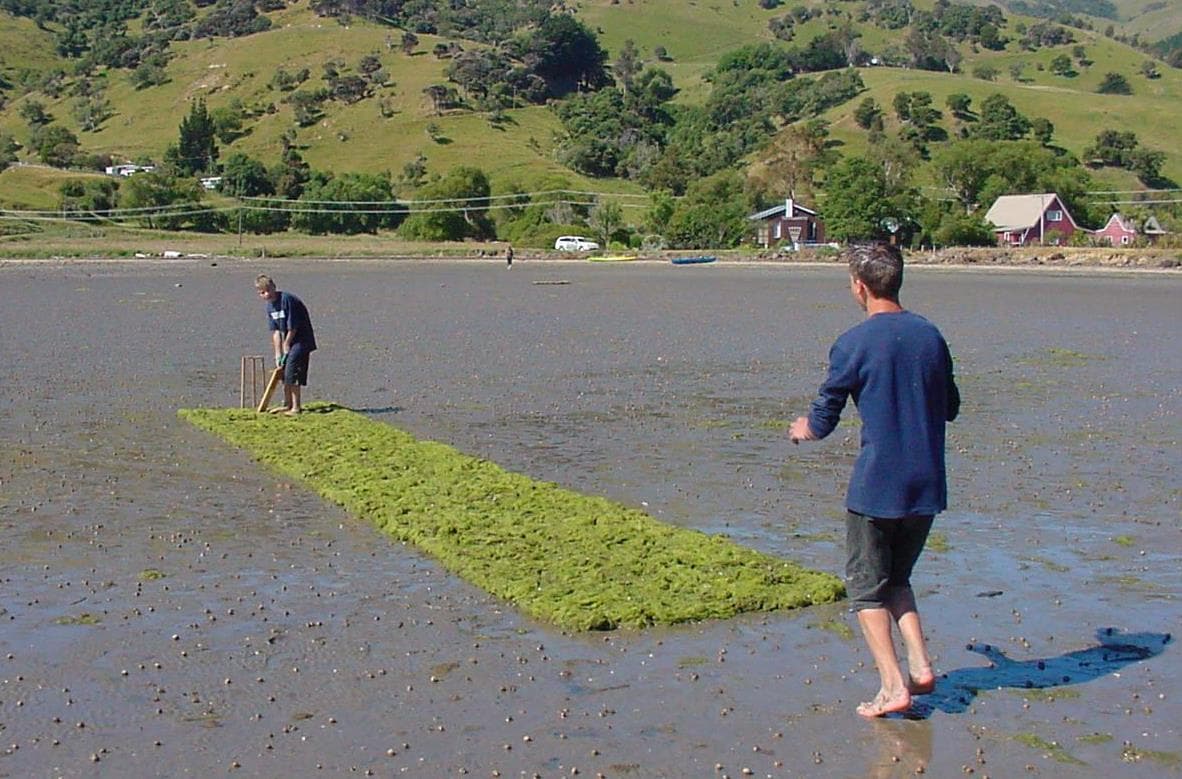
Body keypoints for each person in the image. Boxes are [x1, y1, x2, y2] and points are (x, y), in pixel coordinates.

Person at [788, 242, 960, 718]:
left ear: (859, 287)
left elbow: (824, 418)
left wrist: (803, 429)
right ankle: (920, 666)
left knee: (866, 590)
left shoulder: (853, 343)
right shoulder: (930, 336)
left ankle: (892, 686)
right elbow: (950, 407)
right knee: (898, 578)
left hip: (878, 486)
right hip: (927, 484)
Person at [255, 274, 317, 416]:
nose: (267, 294)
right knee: (284, 371)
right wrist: (278, 354)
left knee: (293, 371)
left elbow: (293, 327)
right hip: (289, 341)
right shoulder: (270, 307)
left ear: (274, 287)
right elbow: (276, 331)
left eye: (268, 290)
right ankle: (287, 404)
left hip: (302, 340)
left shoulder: (287, 300)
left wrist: (287, 343)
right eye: (263, 293)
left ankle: (296, 407)